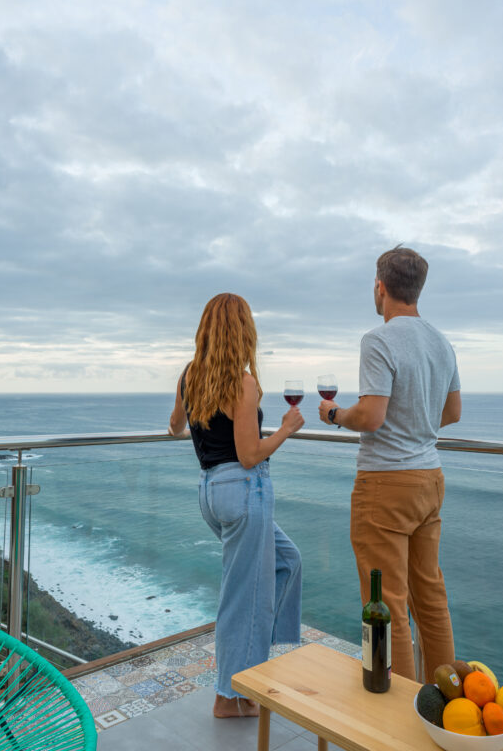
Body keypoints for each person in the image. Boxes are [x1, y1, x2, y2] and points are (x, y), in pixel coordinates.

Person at [318, 246, 462, 681]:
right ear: (417, 288)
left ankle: (396, 714)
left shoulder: (378, 340)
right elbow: (451, 413)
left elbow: (372, 416)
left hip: (385, 483)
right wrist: (415, 420)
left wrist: (336, 415)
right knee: (430, 595)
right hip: (429, 479)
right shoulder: (441, 341)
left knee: (388, 601)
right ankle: (443, 696)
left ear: (380, 287)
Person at [169, 292, 305, 718]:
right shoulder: (244, 382)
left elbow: (175, 428)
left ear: (206, 329)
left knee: (287, 562)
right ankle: (229, 695)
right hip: (245, 489)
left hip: (211, 491)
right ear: (244, 331)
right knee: (241, 596)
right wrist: (286, 429)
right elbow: (249, 454)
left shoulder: (190, 375)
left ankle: (253, 668)